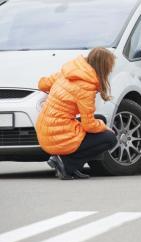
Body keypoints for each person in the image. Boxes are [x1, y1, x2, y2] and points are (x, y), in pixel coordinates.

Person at [35, 48, 118, 180]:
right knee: (110, 138)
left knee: (100, 119)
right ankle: (66, 164)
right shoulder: (86, 86)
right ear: (103, 68)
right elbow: (89, 125)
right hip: (56, 135)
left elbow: (42, 84)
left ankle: (70, 164)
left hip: (44, 128)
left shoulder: (70, 72)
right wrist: (104, 127)